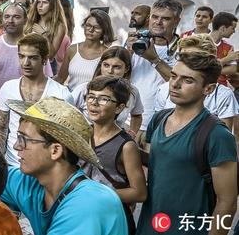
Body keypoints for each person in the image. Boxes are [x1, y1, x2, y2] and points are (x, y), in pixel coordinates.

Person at [136, 42, 238, 235]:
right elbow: (159, 166)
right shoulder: (159, 118)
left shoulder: (217, 134)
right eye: (174, 76)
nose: (175, 84)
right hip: (151, 225)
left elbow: (228, 202)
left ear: (208, 89)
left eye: (187, 80)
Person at [0, 97, 127, 235]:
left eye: (24, 139)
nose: (16, 146)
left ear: (55, 151)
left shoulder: (88, 203)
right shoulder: (30, 182)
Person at [0, 33, 72, 166]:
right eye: (21, 56)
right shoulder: (8, 88)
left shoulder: (61, 94)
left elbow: (65, 137)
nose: (26, 63)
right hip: (12, 164)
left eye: (33, 58)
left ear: (45, 59)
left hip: (46, 167)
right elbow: (2, 127)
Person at [81, 76, 146, 234]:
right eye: (91, 96)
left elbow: (139, 192)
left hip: (112, 218)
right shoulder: (81, 133)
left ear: (119, 107)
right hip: (82, 214)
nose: (94, 103)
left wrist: (96, 194)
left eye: (104, 99)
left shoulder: (126, 145)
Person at [0, 3, 51, 140]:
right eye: (7, 17)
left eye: (16, 17)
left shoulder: (34, 48)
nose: (11, 20)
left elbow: (47, 79)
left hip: (24, 116)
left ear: (25, 20)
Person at [71, 47, 144, 135]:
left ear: (126, 69)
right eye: (106, 65)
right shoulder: (84, 89)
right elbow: (66, 112)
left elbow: (137, 115)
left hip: (115, 142)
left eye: (117, 67)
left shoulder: (132, 91)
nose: (110, 71)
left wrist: (132, 132)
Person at [56, 10, 113, 90]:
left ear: (104, 30)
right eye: (88, 25)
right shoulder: (72, 50)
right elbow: (60, 78)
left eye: (96, 27)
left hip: (93, 100)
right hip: (70, 98)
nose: (91, 30)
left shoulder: (107, 54)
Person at [24, 0, 69, 73]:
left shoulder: (59, 26)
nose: (40, 6)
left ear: (52, 6)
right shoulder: (30, 22)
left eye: (45, 2)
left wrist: (43, 34)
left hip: (47, 66)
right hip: (27, 62)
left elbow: (51, 55)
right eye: (38, 2)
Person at [207, 12, 237, 85]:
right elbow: (198, 66)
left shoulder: (229, 47)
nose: (234, 31)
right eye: (232, 28)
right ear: (223, 28)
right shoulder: (200, 42)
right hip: (202, 87)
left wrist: (209, 70)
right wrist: (227, 59)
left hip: (221, 88)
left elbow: (232, 69)